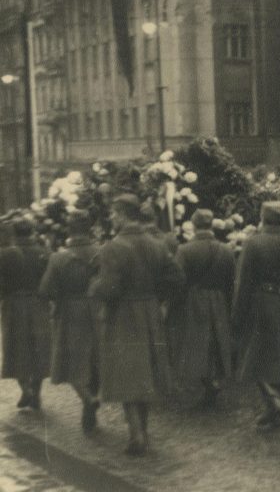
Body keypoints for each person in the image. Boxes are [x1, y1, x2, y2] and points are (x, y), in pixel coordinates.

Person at [89, 194, 184, 456]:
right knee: (146, 372)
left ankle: (136, 434)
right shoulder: (157, 243)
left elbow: (109, 288)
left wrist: (94, 286)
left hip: (123, 315)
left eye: (113, 213)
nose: (111, 218)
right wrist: (158, 298)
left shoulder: (113, 247)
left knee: (126, 372)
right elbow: (177, 277)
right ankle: (143, 429)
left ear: (121, 213)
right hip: (150, 312)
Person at [232, 201, 280, 430]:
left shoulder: (253, 244)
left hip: (263, 304)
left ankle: (272, 400)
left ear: (263, 218)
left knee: (254, 354)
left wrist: (237, 314)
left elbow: (243, 282)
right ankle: (276, 413)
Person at [39, 210, 101, 432]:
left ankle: (87, 399)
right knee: (94, 358)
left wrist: (60, 297)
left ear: (69, 229)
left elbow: (45, 290)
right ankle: (92, 398)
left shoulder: (59, 258)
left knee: (70, 361)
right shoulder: (101, 252)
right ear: (90, 228)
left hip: (70, 313)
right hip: (97, 309)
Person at [173, 209, 235, 409]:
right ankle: (212, 382)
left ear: (194, 224)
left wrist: (177, 301)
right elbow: (231, 280)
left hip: (194, 300)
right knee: (216, 342)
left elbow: (178, 281)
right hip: (218, 299)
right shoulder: (226, 250)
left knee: (198, 342)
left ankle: (208, 383)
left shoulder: (184, 250)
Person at [0, 218, 51, 410]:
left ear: (13, 234)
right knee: (38, 348)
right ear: (32, 232)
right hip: (39, 304)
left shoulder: (4, 255)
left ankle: (26, 389)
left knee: (16, 348)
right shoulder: (43, 252)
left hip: (13, 305)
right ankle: (36, 393)